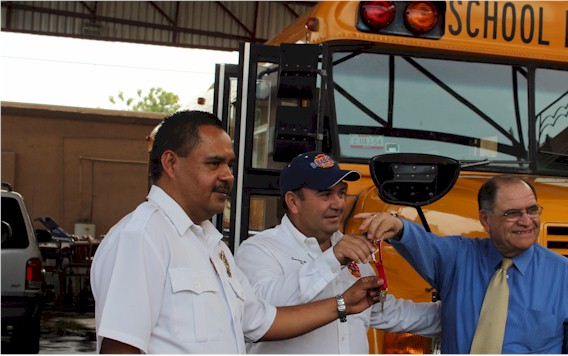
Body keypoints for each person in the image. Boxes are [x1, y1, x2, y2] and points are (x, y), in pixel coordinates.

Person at [90, 111, 383, 354]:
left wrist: (343, 303)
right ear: (171, 163)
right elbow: (121, 348)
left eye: (229, 164)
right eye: (214, 163)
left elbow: (262, 321)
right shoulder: (141, 237)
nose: (228, 176)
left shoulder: (210, 244)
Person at [357, 176, 568, 354]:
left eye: (532, 210)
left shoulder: (563, 273)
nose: (527, 221)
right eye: (512, 213)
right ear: (486, 219)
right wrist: (397, 226)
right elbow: (419, 241)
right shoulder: (458, 258)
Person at [235, 151, 441, 354]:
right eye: (325, 194)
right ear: (293, 202)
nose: (338, 204)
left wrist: (462, 313)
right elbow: (260, 317)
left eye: (341, 193)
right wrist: (332, 259)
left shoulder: (348, 248)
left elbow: (387, 312)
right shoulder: (258, 249)